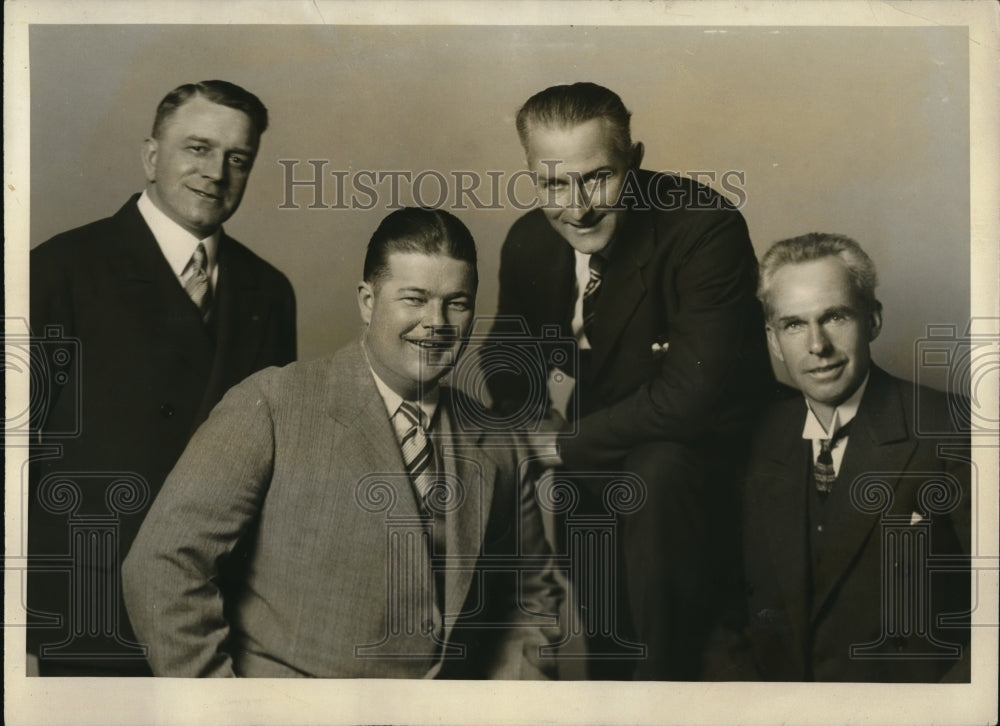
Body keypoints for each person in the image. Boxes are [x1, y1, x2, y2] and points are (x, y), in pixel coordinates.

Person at [122, 207, 562, 678]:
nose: (437, 324)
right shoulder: (271, 405)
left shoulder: (499, 441)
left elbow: (531, 598)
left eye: (457, 302)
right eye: (414, 299)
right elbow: (161, 566)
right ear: (367, 301)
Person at [486, 82, 775, 679]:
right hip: (598, 475)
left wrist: (559, 444)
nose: (577, 206)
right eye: (552, 183)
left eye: (597, 178)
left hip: (701, 479)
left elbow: (688, 402)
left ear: (635, 160)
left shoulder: (706, 227)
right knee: (609, 657)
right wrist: (528, 417)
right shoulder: (529, 241)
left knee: (656, 478)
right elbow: (505, 362)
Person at [28, 80, 297, 676]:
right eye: (197, 149)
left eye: (237, 159)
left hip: (218, 606)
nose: (216, 172)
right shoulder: (58, 269)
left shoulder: (269, 291)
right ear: (152, 156)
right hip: (89, 603)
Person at [726, 232, 970, 681]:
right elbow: (721, 616)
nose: (817, 346)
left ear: (873, 320)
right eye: (794, 324)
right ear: (774, 340)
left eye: (835, 317)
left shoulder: (954, 429)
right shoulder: (752, 440)